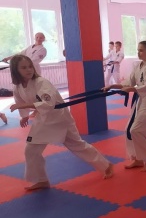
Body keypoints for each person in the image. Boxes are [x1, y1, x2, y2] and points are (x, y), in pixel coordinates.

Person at [9, 54, 113, 190]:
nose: (28, 70)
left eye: (30, 66)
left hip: (59, 118)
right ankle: (41, 180)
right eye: (23, 68)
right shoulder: (17, 87)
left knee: (77, 144)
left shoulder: (41, 82)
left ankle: (105, 165)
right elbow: (20, 101)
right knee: (31, 150)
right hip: (43, 119)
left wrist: (23, 107)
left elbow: (48, 103)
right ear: (15, 70)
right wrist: (24, 116)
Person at [104, 41, 146, 172]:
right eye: (138, 50)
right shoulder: (139, 65)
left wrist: (133, 89)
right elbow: (129, 82)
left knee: (136, 130)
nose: (139, 53)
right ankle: (138, 159)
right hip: (141, 100)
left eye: (141, 50)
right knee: (129, 130)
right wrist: (113, 86)